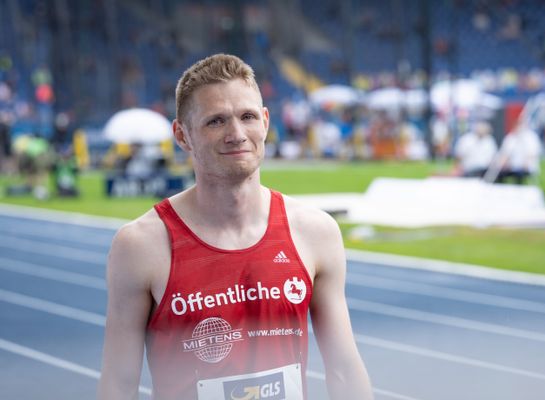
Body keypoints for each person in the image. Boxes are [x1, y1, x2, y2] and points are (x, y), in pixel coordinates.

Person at [97, 54, 373, 400]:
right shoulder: (141, 245)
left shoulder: (315, 232)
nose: (237, 134)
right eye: (216, 121)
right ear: (182, 136)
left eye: (247, 117)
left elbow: (344, 370)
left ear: (266, 122)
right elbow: (118, 385)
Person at [496, 118, 542, 185]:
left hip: (525, 167)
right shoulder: (510, 137)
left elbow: (532, 154)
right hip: (512, 167)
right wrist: (503, 164)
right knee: (499, 173)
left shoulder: (531, 137)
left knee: (519, 174)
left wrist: (525, 164)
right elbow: (505, 154)